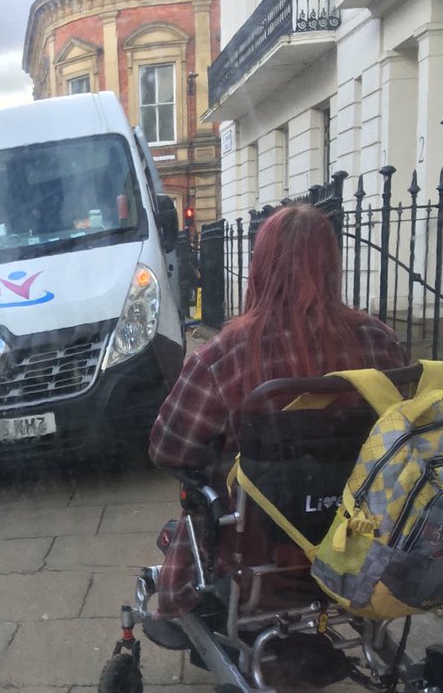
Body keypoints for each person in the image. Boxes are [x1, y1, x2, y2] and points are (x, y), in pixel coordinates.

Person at [144, 204, 407, 648]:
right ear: (332, 266)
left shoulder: (225, 356)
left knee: (205, 493)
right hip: (357, 542)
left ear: (259, 268)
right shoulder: (380, 343)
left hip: (258, 552)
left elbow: (169, 449)